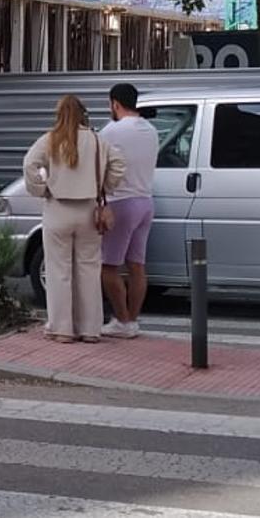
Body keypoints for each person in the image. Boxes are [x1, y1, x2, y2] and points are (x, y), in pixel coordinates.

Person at [23, 95, 125, 344]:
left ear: (59, 114)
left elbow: (29, 164)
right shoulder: (97, 140)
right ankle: (90, 329)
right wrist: (105, 185)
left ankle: (62, 329)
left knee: (59, 271)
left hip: (58, 209)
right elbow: (119, 164)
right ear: (83, 114)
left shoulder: (50, 139)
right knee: (89, 269)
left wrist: (42, 188)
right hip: (89, 210)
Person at [99, 84, 159, 339]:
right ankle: (132, 320)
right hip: (145, 201)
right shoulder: (152, 130)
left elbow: (96, 159)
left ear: (115, 103)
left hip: (120, 202)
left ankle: (121, 320)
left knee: (108, 266)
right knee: (137, 266)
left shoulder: (111, 130)